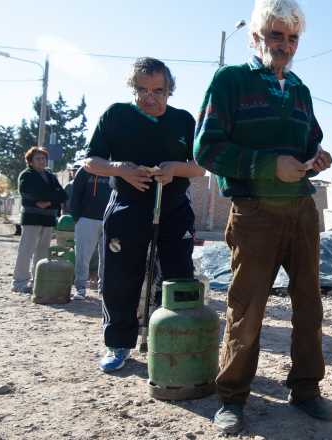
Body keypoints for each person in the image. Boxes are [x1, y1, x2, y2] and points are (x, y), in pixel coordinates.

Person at [194, 0, 332, 434]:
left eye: (292, 38)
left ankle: (306, 389)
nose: (286, 45)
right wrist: (268, 165)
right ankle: (232, 397)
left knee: (309, 304)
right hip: (254, 211)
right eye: (276, 35)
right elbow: (206, 150)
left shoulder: (300, 90)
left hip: (301, 209)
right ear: (256, 38)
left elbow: (310, 140)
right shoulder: (230, 81)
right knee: (248, 307)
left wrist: (317, 158)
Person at [84, 57, 205, 372]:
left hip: (174, 206)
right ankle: (118, 343)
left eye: (158, 90)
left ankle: (172, 339)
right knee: (120, 277)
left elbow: (201, 166)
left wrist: (175, 169)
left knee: (178, 276)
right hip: (127, 205)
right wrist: (119, 169)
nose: (150, 98)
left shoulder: (183, 121)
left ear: (169, 90)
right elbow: (90, 161)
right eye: (142, 90)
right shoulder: (116, 115)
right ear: (132, 88)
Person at [11, 147, 68, 294]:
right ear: (30, 161)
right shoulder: (26, 175)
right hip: (32, 218)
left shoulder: (50, 176)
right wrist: (50, 196)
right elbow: (29, 193)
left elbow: (62, 195)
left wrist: (48, 201)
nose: (41, 161)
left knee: (42, 252)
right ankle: (19, 282)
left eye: (43, 158)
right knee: (26, 250)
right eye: (38, 158)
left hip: (48, 218)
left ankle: (38, 281)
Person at [68, 164, 112, 300]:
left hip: (109, 219)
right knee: (82, 256)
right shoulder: (84, 170)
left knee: (108, 257)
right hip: (86, 219)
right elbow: (75, 194)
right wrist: (77, 217)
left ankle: (104, 289)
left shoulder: (114, 169)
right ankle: (80, 288)